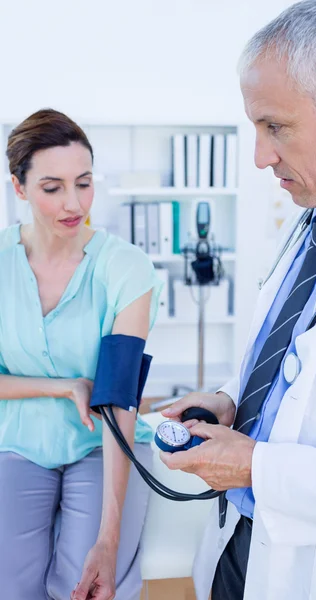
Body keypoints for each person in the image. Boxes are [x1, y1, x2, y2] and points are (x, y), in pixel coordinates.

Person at [160, 1, 316, 599]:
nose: (260, 156)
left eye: (276, 127)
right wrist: (228, 401)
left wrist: (256, 468)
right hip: (238, 544)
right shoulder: (312, 221)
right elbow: (299, 368)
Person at [0, 108, 162, 600]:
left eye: (84, 183)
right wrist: (63, 386)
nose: (75, 204)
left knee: (86, 585)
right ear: (20, 187)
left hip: (102, 444)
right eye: (52, 188)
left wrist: (107, 540)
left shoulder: (126, 267)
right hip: (18, 441)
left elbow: (118, 393)